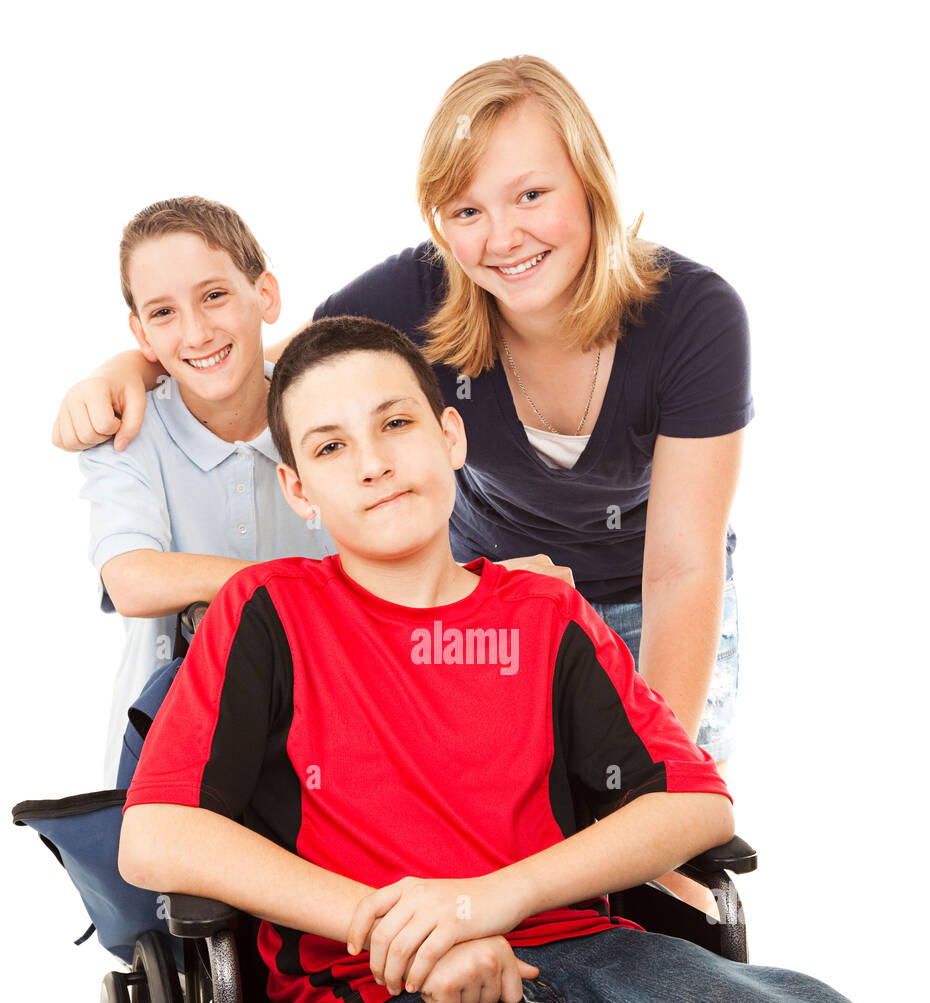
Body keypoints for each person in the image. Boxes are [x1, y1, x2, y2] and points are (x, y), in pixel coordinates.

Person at [118, 315, 929, 1003]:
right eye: (331, 447)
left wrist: (487, 901)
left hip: (589, 950)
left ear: (451, 439)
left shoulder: (546, 616)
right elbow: (157, 834)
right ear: (301, 490)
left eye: (396, 424)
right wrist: (406, 933)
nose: (372, 462)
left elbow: (695, 805)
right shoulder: (272, 613)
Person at [55, 54, 746, 917]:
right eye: (467, 211)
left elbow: (682, 566)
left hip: (654, 595)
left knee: (656, 883)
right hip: (494, 601)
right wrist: (134, 364)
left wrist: (647, 794)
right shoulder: (415, 293)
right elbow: (270, 369)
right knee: (477, 852)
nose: (502, 237)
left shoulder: (695, 317)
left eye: (531, 195)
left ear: (591, 182)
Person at [78, 194, 558, 785]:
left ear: (266, 296)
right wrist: (307, 590)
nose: (197, 330)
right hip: (176, 747)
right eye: (163, 313)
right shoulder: (127, 431)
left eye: (215, 295)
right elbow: (132, 579)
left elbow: (401, 531)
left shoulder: (325, 409)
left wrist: (499, 589)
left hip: (339, 731)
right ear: (141, 333)